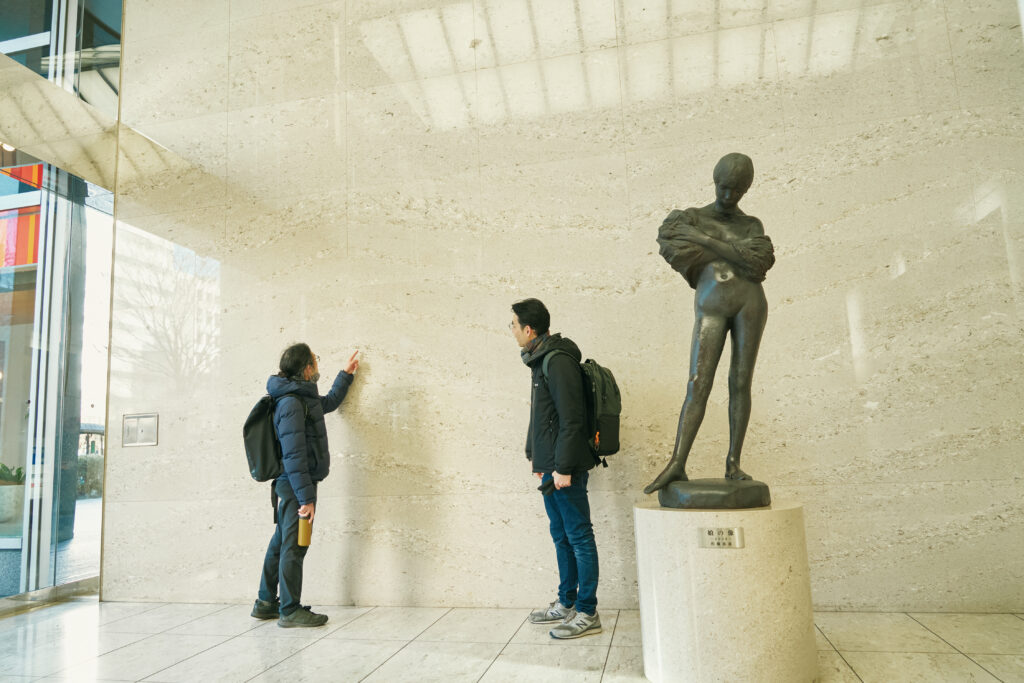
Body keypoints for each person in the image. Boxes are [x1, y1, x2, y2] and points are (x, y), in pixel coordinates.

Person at [644, 153, 775, 494]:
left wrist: (705, 241)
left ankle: (733, 462)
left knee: (740, 381)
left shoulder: (752, 225)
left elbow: (757, 263)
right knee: (697, 382)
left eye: (737, 190)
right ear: (714, 181)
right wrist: (734, 250)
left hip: (750, 303)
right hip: (711, 306)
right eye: (723, 187)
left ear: (746, 190)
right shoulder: (688, 218)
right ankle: (677, 461)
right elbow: (672, 242)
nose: (728, 196)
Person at [510, 298, 602, 639]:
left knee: (579, 536)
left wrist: (562, 467)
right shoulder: (540, 359)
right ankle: (567, 602)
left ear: (528, 329)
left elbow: (571, 419)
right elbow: (541, 415)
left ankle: (587, 611)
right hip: (551, 466)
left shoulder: (557, 360)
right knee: (561, 535)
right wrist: (536, 457)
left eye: (513, 325)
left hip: (566, 468)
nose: (512, 331)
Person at [251, 344, 359, 627]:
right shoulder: (291, 404)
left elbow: (329, 403)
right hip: (295, 485)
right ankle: (289, 609)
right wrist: (306, 498)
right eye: (315, 360)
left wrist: (345, 374)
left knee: (281, 542)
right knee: (295, 546)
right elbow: (294, 456)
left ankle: (265, 602)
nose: (317, 364)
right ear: (307, 368)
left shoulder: (302, 398)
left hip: (294, 485)